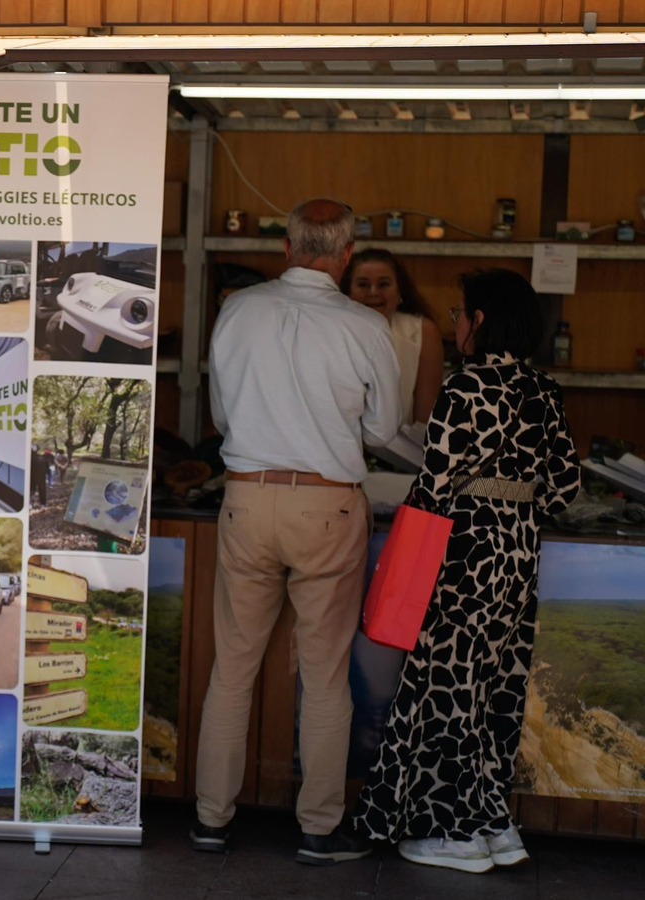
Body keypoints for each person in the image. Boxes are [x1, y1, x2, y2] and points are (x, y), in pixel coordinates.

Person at [351, 269, 581, 873]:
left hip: (464, 550)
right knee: (499, 686)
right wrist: (515, 494)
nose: (454, 323)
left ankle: (451, 832)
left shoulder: (466, 387)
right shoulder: (544, 390)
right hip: (518, 550)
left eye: (460, 313)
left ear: (481, 321)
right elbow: (564, 488)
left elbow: (432, 484)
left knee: (447, 685)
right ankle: (494, 823)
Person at [194, 198, 402, 865]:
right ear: (346, 256)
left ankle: (209, 820)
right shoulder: (366, 326)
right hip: (328, 507)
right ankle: (318, 826)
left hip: (248, 499)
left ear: (286, 248)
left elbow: (222, 417)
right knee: (325, 674)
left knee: (233, 669)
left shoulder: (237, 312)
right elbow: (383, 430)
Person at [340, 249, 444, 425]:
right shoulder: (332, 330)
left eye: (383, 284)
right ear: (348, 292)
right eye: (363, 284)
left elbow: (425, 420)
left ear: (399, 291)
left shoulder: (423, 332)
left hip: (402, 447)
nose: (373, 292)